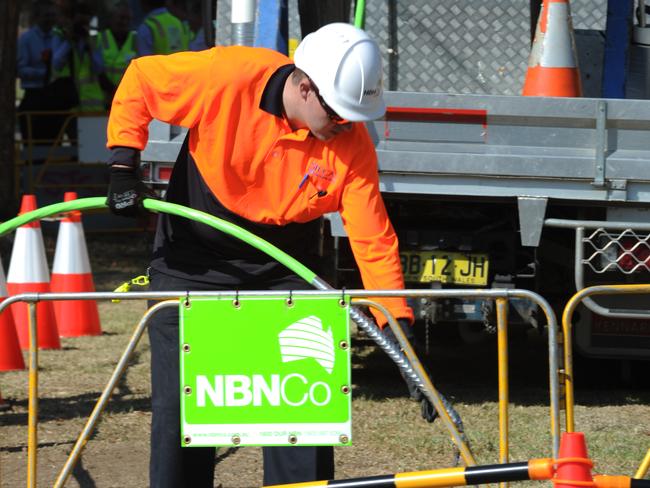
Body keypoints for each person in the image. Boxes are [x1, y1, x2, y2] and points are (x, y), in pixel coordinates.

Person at [106, 23, 419, 487]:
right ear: (305, 86)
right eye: (337, 112)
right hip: (193, 260)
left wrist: (399, 328)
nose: (345, 125)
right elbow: (141, 81)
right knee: (181, 417)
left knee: (304, 413)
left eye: (354, 116)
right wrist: (121, 166)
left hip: (284, 271)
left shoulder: (349, 144)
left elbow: (373, 237)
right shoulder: (228, 76)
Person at [16, 1, 60, 145]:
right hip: (33, 97)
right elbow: (20, 69)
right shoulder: (26, 39)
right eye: (47, 15)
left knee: (54, 144)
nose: (50, 19)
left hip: (54, 97)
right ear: (37, 17)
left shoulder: (58, 37)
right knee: (33, 144)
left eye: (53, 15)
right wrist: (45, 73)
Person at [52, 0, 105, 113]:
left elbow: (99, 68)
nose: (82, 27)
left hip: (91, 105)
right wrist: (70, 41)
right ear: (71, 20)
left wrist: (89, 45)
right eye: (79, 23)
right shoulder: (61, 35)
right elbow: (56, 63)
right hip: (67, 103)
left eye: (85, 23)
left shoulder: (95, 39)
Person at [94, 1, 137, 108]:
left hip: (127, 99)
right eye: (121, 18)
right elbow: (96, 68)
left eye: (128, 19)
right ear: (111, 18)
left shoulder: (136, 39)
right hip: (103, 97)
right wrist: (110, 90)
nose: (124, 22)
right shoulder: (99, 38)